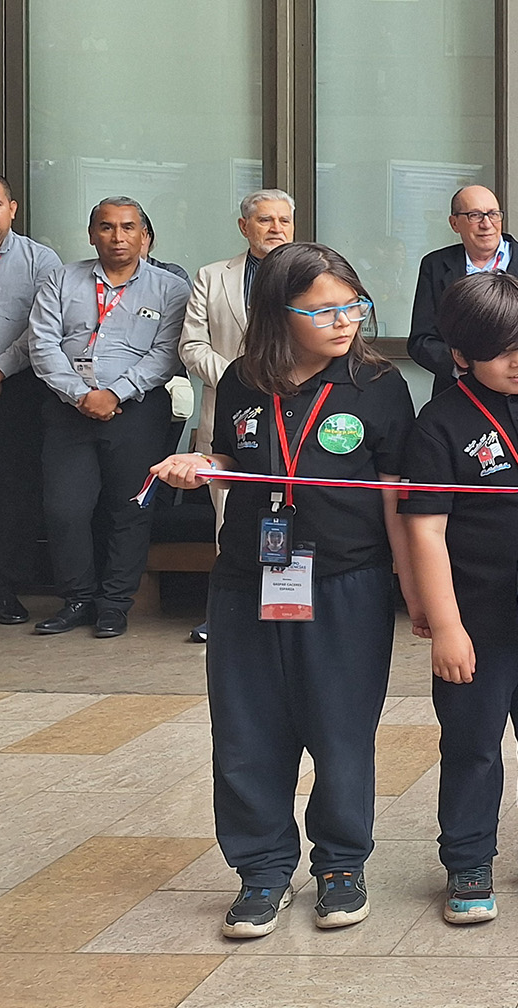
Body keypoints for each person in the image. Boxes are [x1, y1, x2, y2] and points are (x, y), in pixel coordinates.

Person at [149, 241, 419, 939]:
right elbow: (233, 456)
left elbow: (398, 495)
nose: (344, 321)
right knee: (246, 732)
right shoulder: (244, 379)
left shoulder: (378, 384)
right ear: (278, 312)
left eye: (353, 306)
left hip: (347, 582)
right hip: (248, 579)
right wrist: (201, 463)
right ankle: (263, 869)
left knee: (341, 730)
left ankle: (341, 865)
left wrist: (412, 589)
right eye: (323, 311)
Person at [401, 271, 518, 924]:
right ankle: (467, 859)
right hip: (478, 623)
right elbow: (425, 531)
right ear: (460, 355)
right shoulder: (440, 422)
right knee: (473, 746)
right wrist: (447, 627)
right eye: (502, 352)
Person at [27, 197, 189, 638]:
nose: (118, 237)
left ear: (144, 235)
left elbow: (167, 354)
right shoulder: (62, 279)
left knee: (129, 509)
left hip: (137, 411)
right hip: (68, 410)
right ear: (91, 234)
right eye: (107, 227)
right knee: (64, 508)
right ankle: (77, 599)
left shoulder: (170, 288)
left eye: (128, 227)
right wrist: (81, 395)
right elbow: (42, 344)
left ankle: (115, 604)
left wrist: (115, 393)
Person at [182, 188, 298, 643]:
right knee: (228, 517)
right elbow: (191, 346)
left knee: (298, 509)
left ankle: (287, 604)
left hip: (298, 411)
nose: (276, 229)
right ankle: (225, 613)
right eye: (265, 220)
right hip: (232, 416)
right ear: (244, 226)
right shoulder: (212, 276)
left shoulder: (311, 274)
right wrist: (242, 379)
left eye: (283, 220)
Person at [408, 185, 518, 394]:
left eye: (493, 214)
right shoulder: (435, 266)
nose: (486, 224)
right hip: (460, 390)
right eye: (475, 215)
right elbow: (422, 340)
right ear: (454, 223)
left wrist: (498, 361)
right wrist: (469, 365)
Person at [0, 175, 62, 626]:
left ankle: (5, 588)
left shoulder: (41, 260)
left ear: (12, 208)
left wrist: (1, 368)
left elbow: (39, 330)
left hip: (16, 389)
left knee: (14, 493)